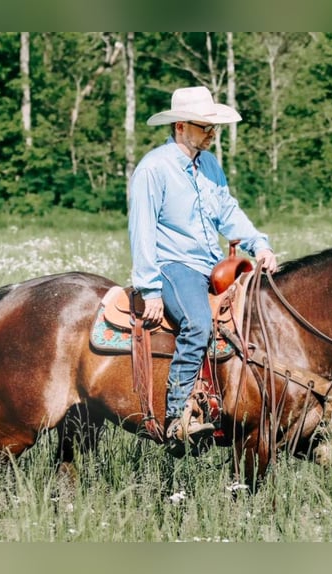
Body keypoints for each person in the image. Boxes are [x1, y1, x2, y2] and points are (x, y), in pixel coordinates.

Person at [128, 86, 277, 455]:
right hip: (175, 266)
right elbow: (142, 230)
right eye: (205, 127)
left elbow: (228, 211)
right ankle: (178, 415)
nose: (213, 134)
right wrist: (148, 290)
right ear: (181, 126)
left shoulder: (209, 164)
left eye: (214, 127)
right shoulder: (153, 169)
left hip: (212, 266)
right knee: (198, 322)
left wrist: (258, 244)